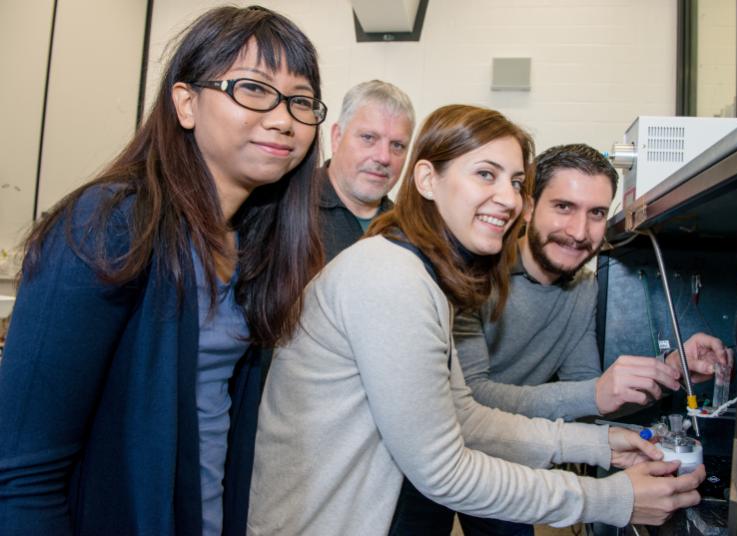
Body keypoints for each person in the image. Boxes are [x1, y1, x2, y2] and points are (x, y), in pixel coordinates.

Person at [247, 106, 705, 535]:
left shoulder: (422, 275)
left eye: (515, 182)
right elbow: (445, 470)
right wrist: (608, 498)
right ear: (427, 179)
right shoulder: (391, 278)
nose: (506, 199)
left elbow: (464, 418)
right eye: (485, 174)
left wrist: (599, 445)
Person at [0, 6, 326, 535]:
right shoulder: (108, 226)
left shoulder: (253, 243)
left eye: (301, 100)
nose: (283, 117)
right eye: (254, 88)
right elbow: (23, 473)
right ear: (186, 102)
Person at [448, 143, 731, 535]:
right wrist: (593, 393)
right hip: (438, 452)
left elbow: (587, 400)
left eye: (596, 213)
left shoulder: (583, 290)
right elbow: (472, 399)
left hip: (511, 459)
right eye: (564, 207)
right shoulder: (474, 275)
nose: (579, 233)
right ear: (529, 207)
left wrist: (672, 372)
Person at [317, 79, 414, 261]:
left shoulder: (409, 230)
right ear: (337, 137)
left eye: (397, 145)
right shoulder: (286, 206)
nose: (384, 157)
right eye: (369, 138)